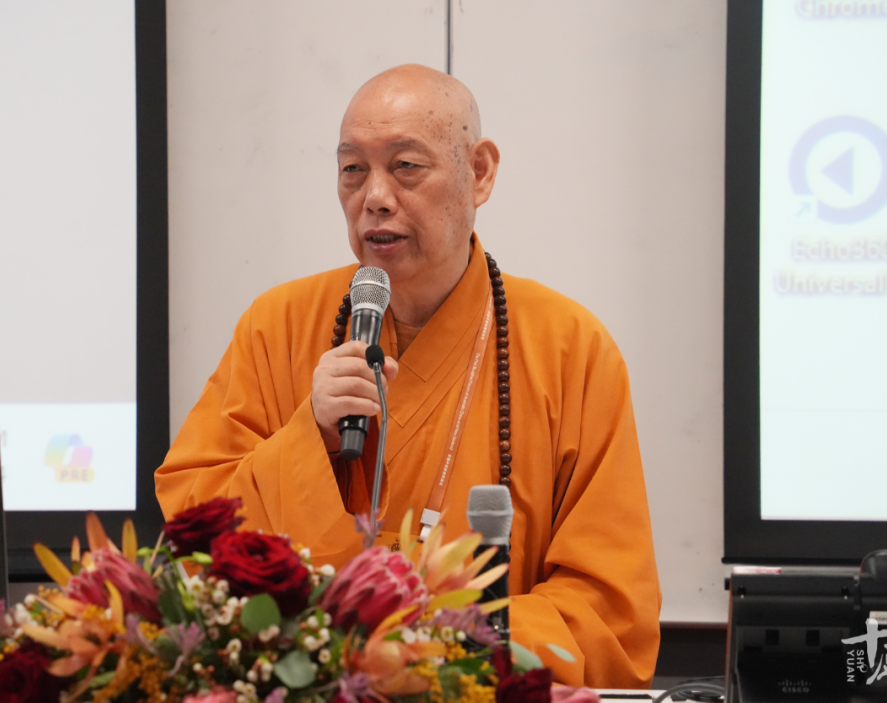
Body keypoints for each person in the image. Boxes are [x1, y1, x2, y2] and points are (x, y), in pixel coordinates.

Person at [156, 64, 661, 688]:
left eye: (406, 166)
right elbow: (192, 534)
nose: (374, 196)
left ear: (479, 172)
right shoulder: (277, 325)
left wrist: (434, 643)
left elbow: (608, 608)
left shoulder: (570, 348)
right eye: (352, 169)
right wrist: (308, 436)